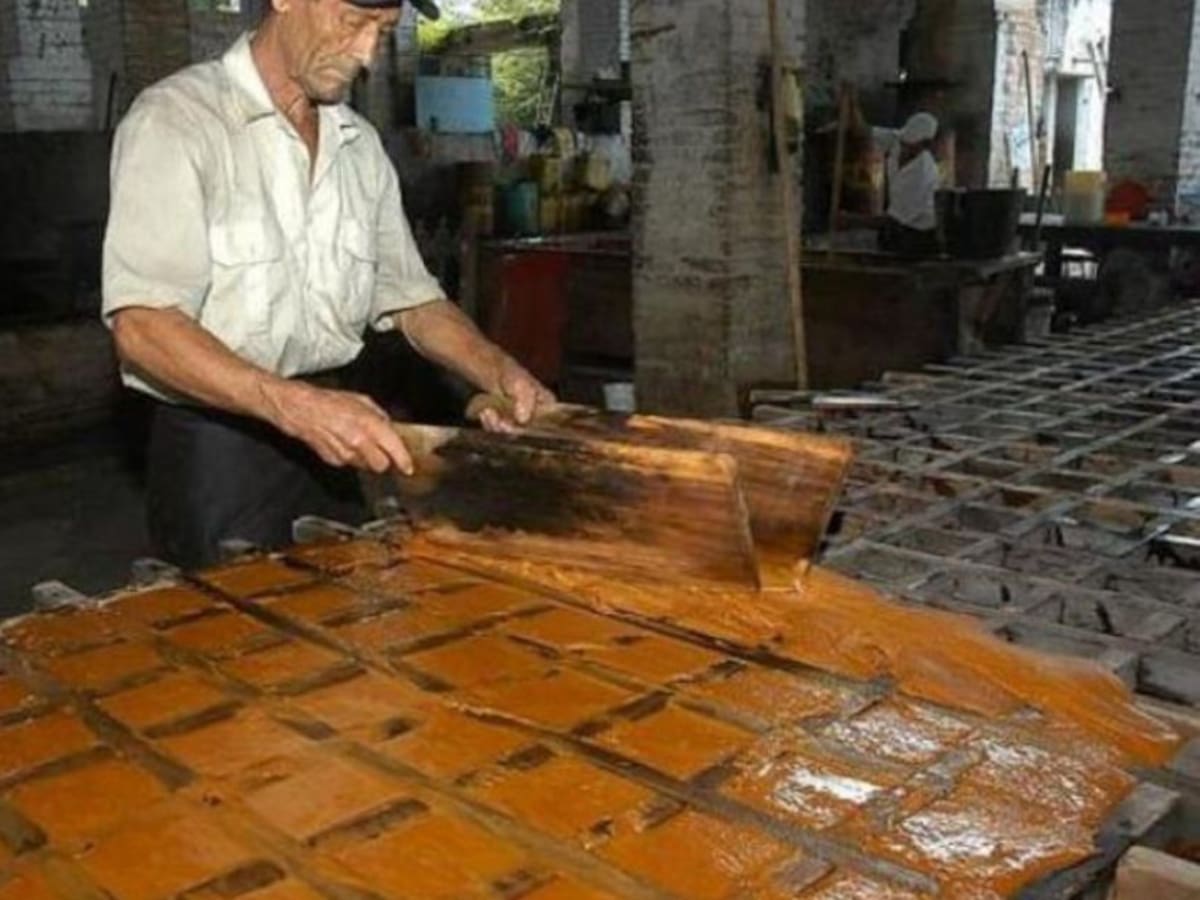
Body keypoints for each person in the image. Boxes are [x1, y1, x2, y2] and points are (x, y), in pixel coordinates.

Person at [102, 0, 554, 570]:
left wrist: (498, 371)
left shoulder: (358, 147)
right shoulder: (177, 122)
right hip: (218, 452)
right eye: (353, 22)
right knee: (230, 641)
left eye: (382, 32)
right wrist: (297, 408)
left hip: (335, 442)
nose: (367, 55)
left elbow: (412, 299)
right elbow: (143, 327)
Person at [868, 110, 943, 257]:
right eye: (903, 143)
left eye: (910, 145)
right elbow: (865, 131)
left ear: (925, 144)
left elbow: (894, 220)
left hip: (919, 237)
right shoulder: (898, 140)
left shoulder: (923, 173)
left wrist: (851, 220)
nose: (904, 147)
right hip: (898, 228)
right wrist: (850, 103)